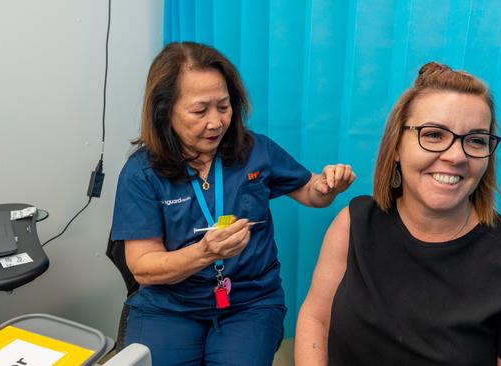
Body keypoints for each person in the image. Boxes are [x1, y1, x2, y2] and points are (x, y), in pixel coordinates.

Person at [295, 62, 501, 366]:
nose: (456, 156)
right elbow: (315, 319)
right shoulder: (354, 222)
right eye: (434, 134)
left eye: (476, 140)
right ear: (396, 146)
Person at [111, 41, 355, 366]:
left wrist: (328, 186)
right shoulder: (141, 172)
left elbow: (311, 192)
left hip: (249, 303)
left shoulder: (256, 150)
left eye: (223, 107)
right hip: (170, 305)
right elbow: (142, 267)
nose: (216, 122)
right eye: (200, 111)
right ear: (165, 111)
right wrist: (204, 253)